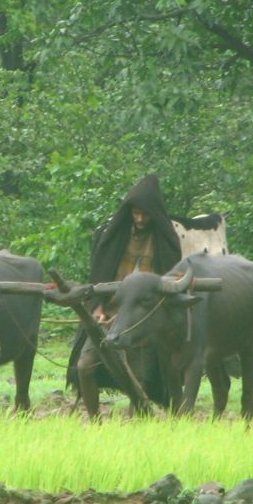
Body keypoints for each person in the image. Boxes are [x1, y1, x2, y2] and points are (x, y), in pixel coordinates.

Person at [67, 174, 182, 416]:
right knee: (85, 367)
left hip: (142, 317)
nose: (140, 219)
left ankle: (136, 424)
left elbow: (168, 283)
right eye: (136, 213)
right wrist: (97, 307)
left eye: (145, 214)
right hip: (107, 313)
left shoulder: (164, 241)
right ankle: (95, 422)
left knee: (140, 378)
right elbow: (98, 277)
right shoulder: (113, 237)